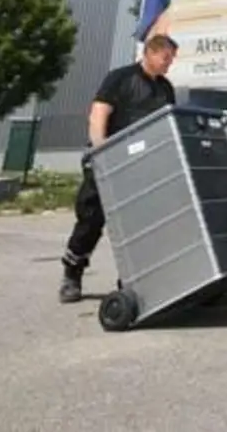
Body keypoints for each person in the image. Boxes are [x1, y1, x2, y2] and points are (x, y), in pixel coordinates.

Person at [57, 34, 180, 303]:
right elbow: (99, 113)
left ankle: (133, 280)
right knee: (91, 220)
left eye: (171, 60)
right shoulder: (121, 79)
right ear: (150, 53)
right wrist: (99, 151)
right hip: (110, 162)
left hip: (144, 167)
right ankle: (72, 275)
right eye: (166, 58)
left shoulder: (165, 89)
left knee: (140, 225)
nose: (169, 64)